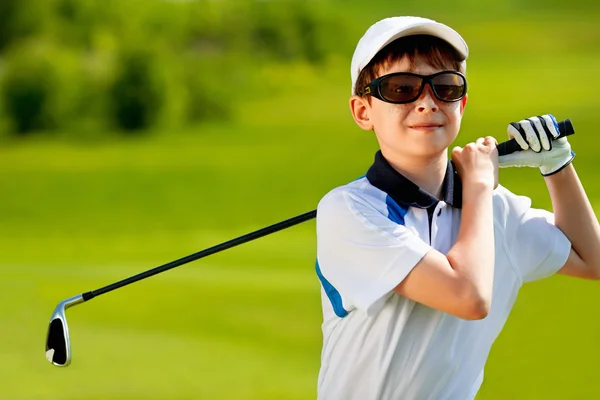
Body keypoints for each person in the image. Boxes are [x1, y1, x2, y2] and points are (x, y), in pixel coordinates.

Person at [315, 16, 600, 399]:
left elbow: (591, 260)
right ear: (363, 111)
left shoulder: (497, 211)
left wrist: (558, 167)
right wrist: (479, 186)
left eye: (445, 88)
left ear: (461, 104)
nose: (427, 103)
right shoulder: (347, 212)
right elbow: (468, 296)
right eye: (402, 89)